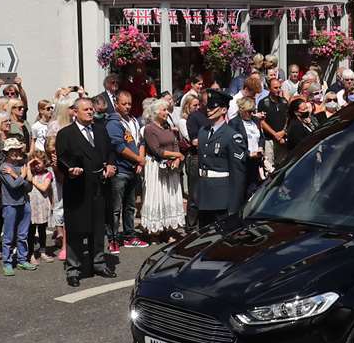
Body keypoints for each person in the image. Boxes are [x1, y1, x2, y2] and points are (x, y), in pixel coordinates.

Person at [54, 97, 114, 286]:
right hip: (78, 187)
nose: (90, 112)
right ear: (75, 112)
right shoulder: (66, 134)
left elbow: (110, 151)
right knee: (77, 229)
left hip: (99, 185)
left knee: (98, 227)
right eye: (86, 109)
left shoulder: (100, 129)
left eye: (91, 109)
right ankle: (74, 269)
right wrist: (70, 170)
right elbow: (62, 158)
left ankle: (98, 262)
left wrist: (111, 165)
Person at [194, 89, 248, 228]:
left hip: (221, 198)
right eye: (208, 107)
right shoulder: (203, 132)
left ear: (224, 110)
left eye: (213, 107)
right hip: (204, 194)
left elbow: (238, 174)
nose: (209, 110)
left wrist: (234, 206)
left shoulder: (231, 136)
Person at [139, 99, 184, 238]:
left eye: (166, 110)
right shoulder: (149, 129)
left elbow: (174, 142)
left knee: (170, 196)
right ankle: (154, 232)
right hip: (156, 166)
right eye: (163, 110)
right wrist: (177, 155)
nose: (166, 113)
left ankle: (169, 228)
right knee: (157, 196)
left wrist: (176, 158)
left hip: (171, 166)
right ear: (156, 112)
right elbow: (156, 150)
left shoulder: (167, 126)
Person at [106, 90, 146, 249]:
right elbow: (119, 146)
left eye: (129, 103)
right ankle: (113, 239)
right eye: (124, 104)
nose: (127, 107)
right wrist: (138, 159)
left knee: (130, 206)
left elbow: (140, 141)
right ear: (116, 104)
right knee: (115, 208)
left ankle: (130, 236)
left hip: (133, 169)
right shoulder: (114, 122)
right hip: (120, 170)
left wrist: (140, 161)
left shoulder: (134, 120)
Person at [0, 138, 34, 277]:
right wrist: (22, 175)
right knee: (9, 235)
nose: (16, 153)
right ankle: (7, 262)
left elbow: (29, 187)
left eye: (17, 150)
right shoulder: (4, 167)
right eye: (12, 150)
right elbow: (14, 185)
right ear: (7, 152)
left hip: (24, 203)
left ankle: (22, 259)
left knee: (23, 234)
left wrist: (17, 175)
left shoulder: (21, 165)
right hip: (10, 204)